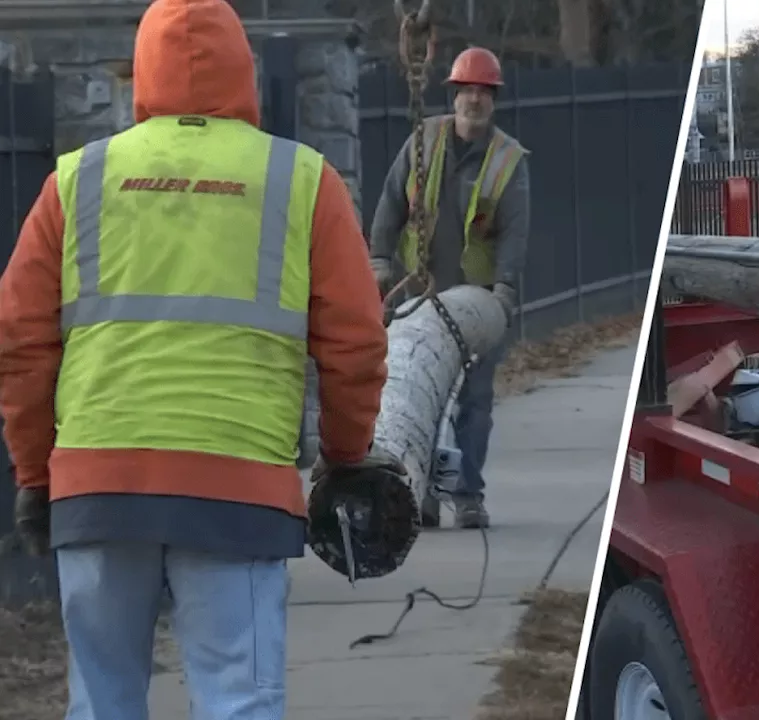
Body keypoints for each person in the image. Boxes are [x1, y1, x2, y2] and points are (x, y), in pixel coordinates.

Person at [0, 0, 390, 717]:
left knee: (102, 701)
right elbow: (356, 340)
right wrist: (344, 455)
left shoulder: (78, 181)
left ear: (140, 73)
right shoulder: (301, 180)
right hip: (236, 488)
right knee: (237, 700)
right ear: (246, 72)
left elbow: (20, 339)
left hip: (99, 483)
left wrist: (35, 473)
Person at [369, 46, 531, 530]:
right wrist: (379, 260)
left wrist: (504, 288)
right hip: (423, 293)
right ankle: (426, 497)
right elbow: (391, 201)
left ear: (493, 99)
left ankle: (467, 495)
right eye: (467, 91)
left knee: (473, 403)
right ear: (455, 94)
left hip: (477, 300)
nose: (474, 100)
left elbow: (515, 232)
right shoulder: (425, 141)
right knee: (426, 398)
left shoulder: (508, 161)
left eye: (483, 92)